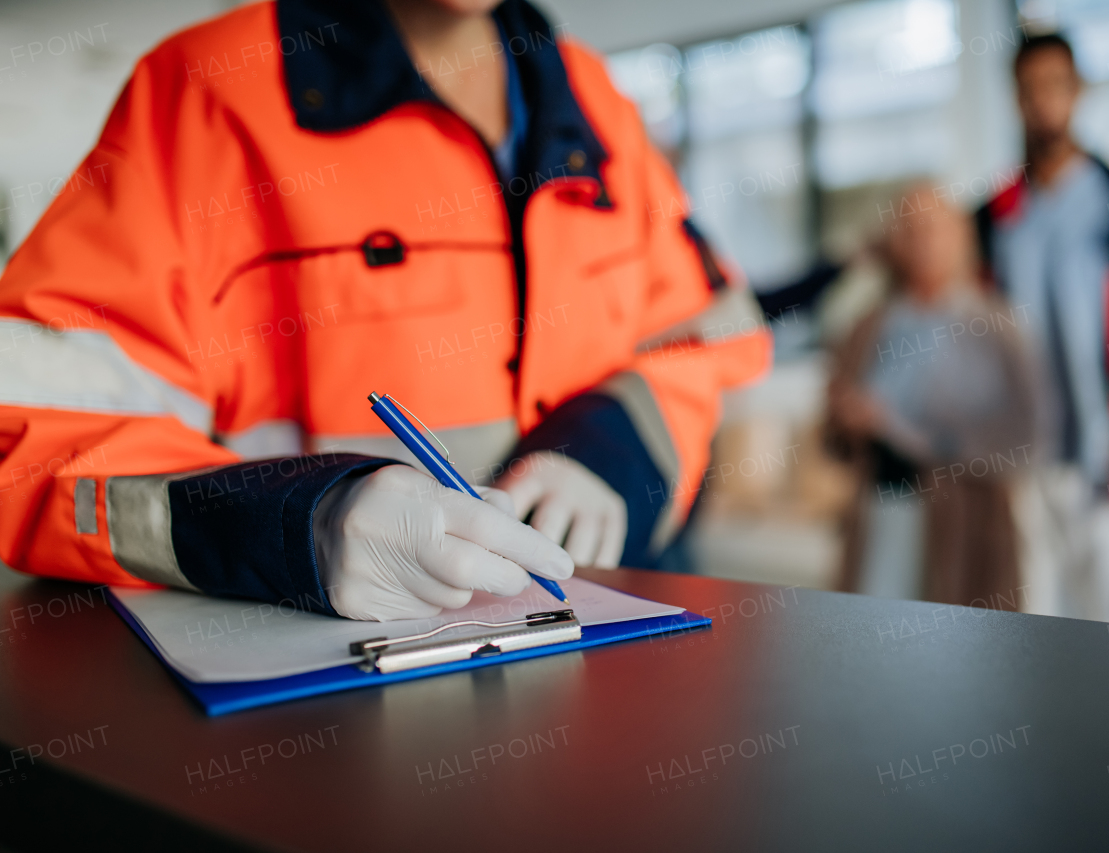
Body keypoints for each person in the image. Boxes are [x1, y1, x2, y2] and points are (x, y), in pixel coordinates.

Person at [0, 0, 770, 621]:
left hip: (613, 649)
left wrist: (612, 446)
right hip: (344, 701)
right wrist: (297, 523)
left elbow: (709, 332)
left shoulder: (596, 101)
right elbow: (27, 436)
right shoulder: (205, 96)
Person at [975, 34, 1109, 619]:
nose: (1041, 102)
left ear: (1078, 93)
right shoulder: (993, 222)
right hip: (1025, 465)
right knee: (1032, 625)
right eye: (1027, 90)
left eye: (1054, 86)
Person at [827, 187, 1035, 608]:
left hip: (963, 520)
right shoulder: (870, 325)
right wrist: (849, 420)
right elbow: (831, 437)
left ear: (960, 235)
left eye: (933, 228)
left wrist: (899, 428)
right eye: (908, 229)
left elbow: (1020, 438)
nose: (921, 241)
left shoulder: (994, 326)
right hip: (884, 508)